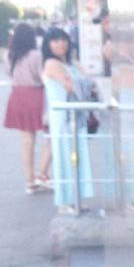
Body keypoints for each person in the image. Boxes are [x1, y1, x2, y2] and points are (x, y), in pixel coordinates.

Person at [41, 26, 93, 210]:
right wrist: (83, 83)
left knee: (78, 156)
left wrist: (82, 83)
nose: (60, 44)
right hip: (63, 118)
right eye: (55, 41)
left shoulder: (72, 63)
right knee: (65, 156)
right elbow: (72, 85)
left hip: (77, 116)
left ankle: (76, 199)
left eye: (63, 40)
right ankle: (65, 201)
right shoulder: (51, 64)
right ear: (48, 44)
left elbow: (86, 82)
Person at [4, 22, 52, 194]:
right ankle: (42, 173)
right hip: (36, 95)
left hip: (17, 95)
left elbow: (8, 73)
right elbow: (43, 76)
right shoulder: (36, 55)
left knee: (26, 141)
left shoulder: (10, 55)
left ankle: (29, 181)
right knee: (52, 135)